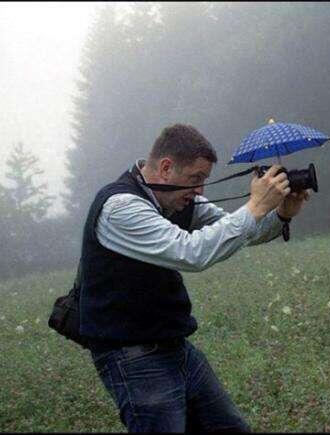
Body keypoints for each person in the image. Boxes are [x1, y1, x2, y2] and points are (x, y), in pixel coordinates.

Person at [79, 124, 311, 432]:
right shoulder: (121, 208)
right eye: (195, 179)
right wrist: (255, 205)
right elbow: (191, 253)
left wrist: (281, 213)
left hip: (174, 345)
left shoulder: (179, 200)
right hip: (132, 356)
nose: (200, 190)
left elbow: (236, 232)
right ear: (165, 168)